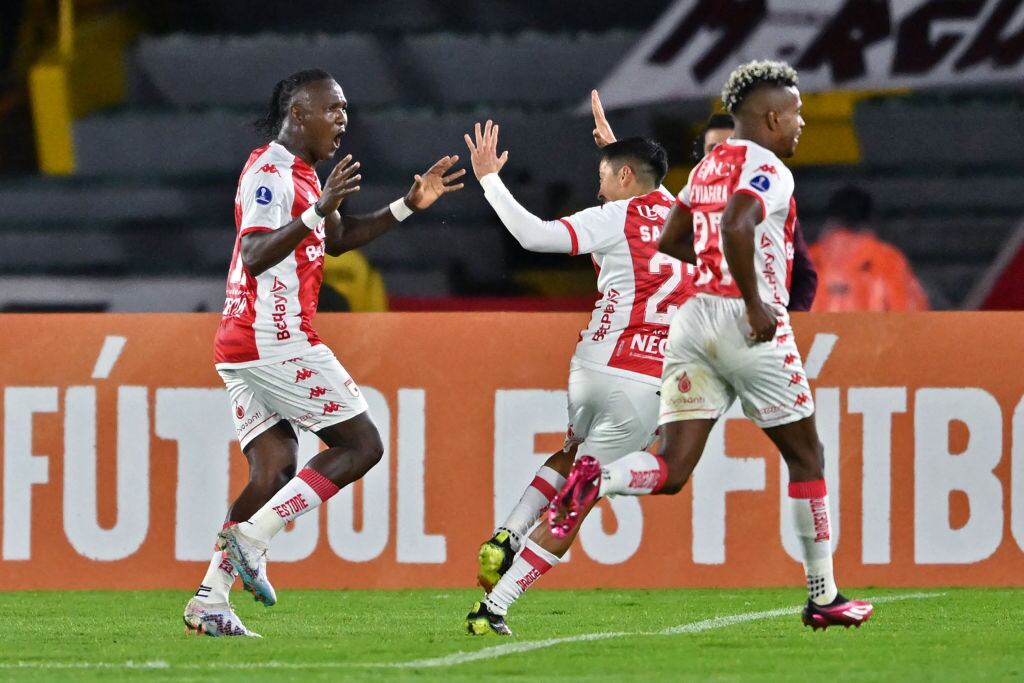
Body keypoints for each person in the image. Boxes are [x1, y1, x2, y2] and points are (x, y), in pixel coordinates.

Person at [548, 60, 873, 630]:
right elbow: (739, 223)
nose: (800, 124)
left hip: (692, 320)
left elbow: (675, 240)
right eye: (795, 113)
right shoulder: (768, 166)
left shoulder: (706, 168)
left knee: (671, 470)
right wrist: (751, 300)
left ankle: (602, 477)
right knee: (807, 456)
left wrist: (721, 272)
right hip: (743, 320)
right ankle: (823, 595)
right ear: (772, 117)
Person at [183, 68, 465, 637]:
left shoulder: (306, 173)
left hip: (243, 343)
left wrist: (408, 205)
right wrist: (316, 211)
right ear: (298, 114)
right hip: (273, 338)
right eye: (332, 108)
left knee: (274, 469)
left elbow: (335, 239)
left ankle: (210, 600)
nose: (343, 118)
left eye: (344, 109)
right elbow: (257, 252)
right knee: (362, 444)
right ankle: (252, 538)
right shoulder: (269, 172)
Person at [462, 120, 693, 635]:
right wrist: (615, 151)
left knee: (572, 453)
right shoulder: (687, 218)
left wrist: (489, 181)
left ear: (627, 176)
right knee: (580, 497)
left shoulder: (615, 216)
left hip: (590, 366)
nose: (598, 187)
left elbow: (532, 235)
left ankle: (508, 534)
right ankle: (494, 606)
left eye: (604, 176)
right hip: (643, 380)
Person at [688, 110, 817, 312]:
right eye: (714, 150)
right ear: (701, 159)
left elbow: (803, 276)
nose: (724, 158)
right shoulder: (679, 214)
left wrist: (789, 322)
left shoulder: (773, 207)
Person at [810, 186, 928, 311]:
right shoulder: (888, 260)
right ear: (871, 219)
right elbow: (912, 317)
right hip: (873, 330)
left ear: (829, 220)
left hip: (813, 331)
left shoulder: (805, 260)